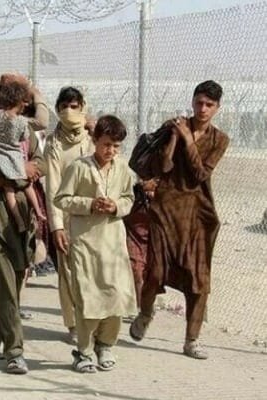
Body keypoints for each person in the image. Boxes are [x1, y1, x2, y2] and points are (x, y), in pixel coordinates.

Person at [130, 81, 230, 359]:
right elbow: (163, 167)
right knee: (156, 271)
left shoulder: (219, 140)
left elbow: (200, 174)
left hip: (197, 215)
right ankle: (145, 314)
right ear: (192, 101)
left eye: (209, 105)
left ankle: (191, 340)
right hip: (165, 209)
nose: (203, 109)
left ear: (217, 108)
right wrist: (175, 137)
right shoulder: (173, 127)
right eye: (199, 102)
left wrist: (188, 139)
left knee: (199, 279)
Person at [0, 82, 49, 375]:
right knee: (4, 278)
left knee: (14, 277)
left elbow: (40, 163)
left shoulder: (24, 128)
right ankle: (14, 351)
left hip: (21, 215)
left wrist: (13, 177)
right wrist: (15, 172)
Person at [54, 115, 137, 373]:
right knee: (88, 298)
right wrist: (89, 204)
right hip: (85, 243)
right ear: (95, 140)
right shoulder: (79, 167)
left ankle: (106, 345)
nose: (110, 150)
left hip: (113, 243)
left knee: (116, 295)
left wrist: (115, 206)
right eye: (106, 144)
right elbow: (61, 199)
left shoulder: (123, 169)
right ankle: (84, 350)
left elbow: (129, 199)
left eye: (116, 146)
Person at [44, 86, 96, 344]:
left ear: (83, 107)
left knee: (93, 272)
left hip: (94, 215)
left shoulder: (93, 138)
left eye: (74, 106)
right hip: (66, 217)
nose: (69, 112)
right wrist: (56, 226)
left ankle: (94, 321)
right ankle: (74, 324)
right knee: (69, 273)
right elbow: (52, 187)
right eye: (64, 107)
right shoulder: (54, 143)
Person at [0, 74, 46, 233]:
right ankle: (36, 212)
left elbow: (42, 165)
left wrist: (7, 179)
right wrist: (21, 171)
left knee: (12, 191)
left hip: (21, 203)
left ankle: (28, 217)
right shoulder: (21, 123)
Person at [123, 178, 158, 310]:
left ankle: (146, 306)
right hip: (133, 231)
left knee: (152, 272)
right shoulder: (132, 178)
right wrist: (141, 187)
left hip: (154, 234)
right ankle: (141, 308)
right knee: (137, 269)